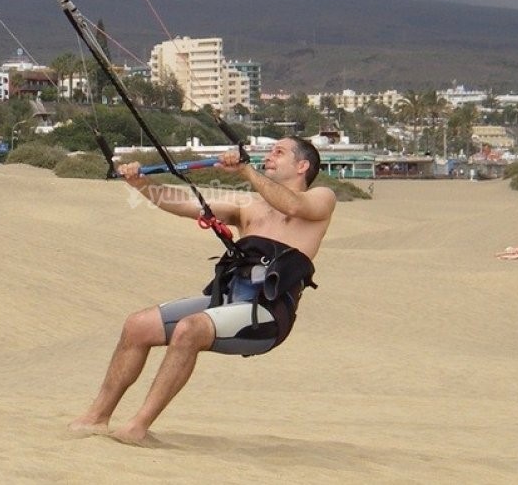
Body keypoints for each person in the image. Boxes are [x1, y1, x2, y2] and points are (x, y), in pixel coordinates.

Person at [69, 136, 337, 445]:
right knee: (137, 326)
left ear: (303, 165)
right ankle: (97, 417)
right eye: (271, 151)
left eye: (280, 152)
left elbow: (292, 204)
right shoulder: (248, 206)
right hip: (229, 301)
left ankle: (138, 426)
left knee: (189, 329)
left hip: (268, 313)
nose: (270, 156)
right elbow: (185, 204)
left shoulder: (322, 197)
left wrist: (245, 171)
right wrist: (140, 184)